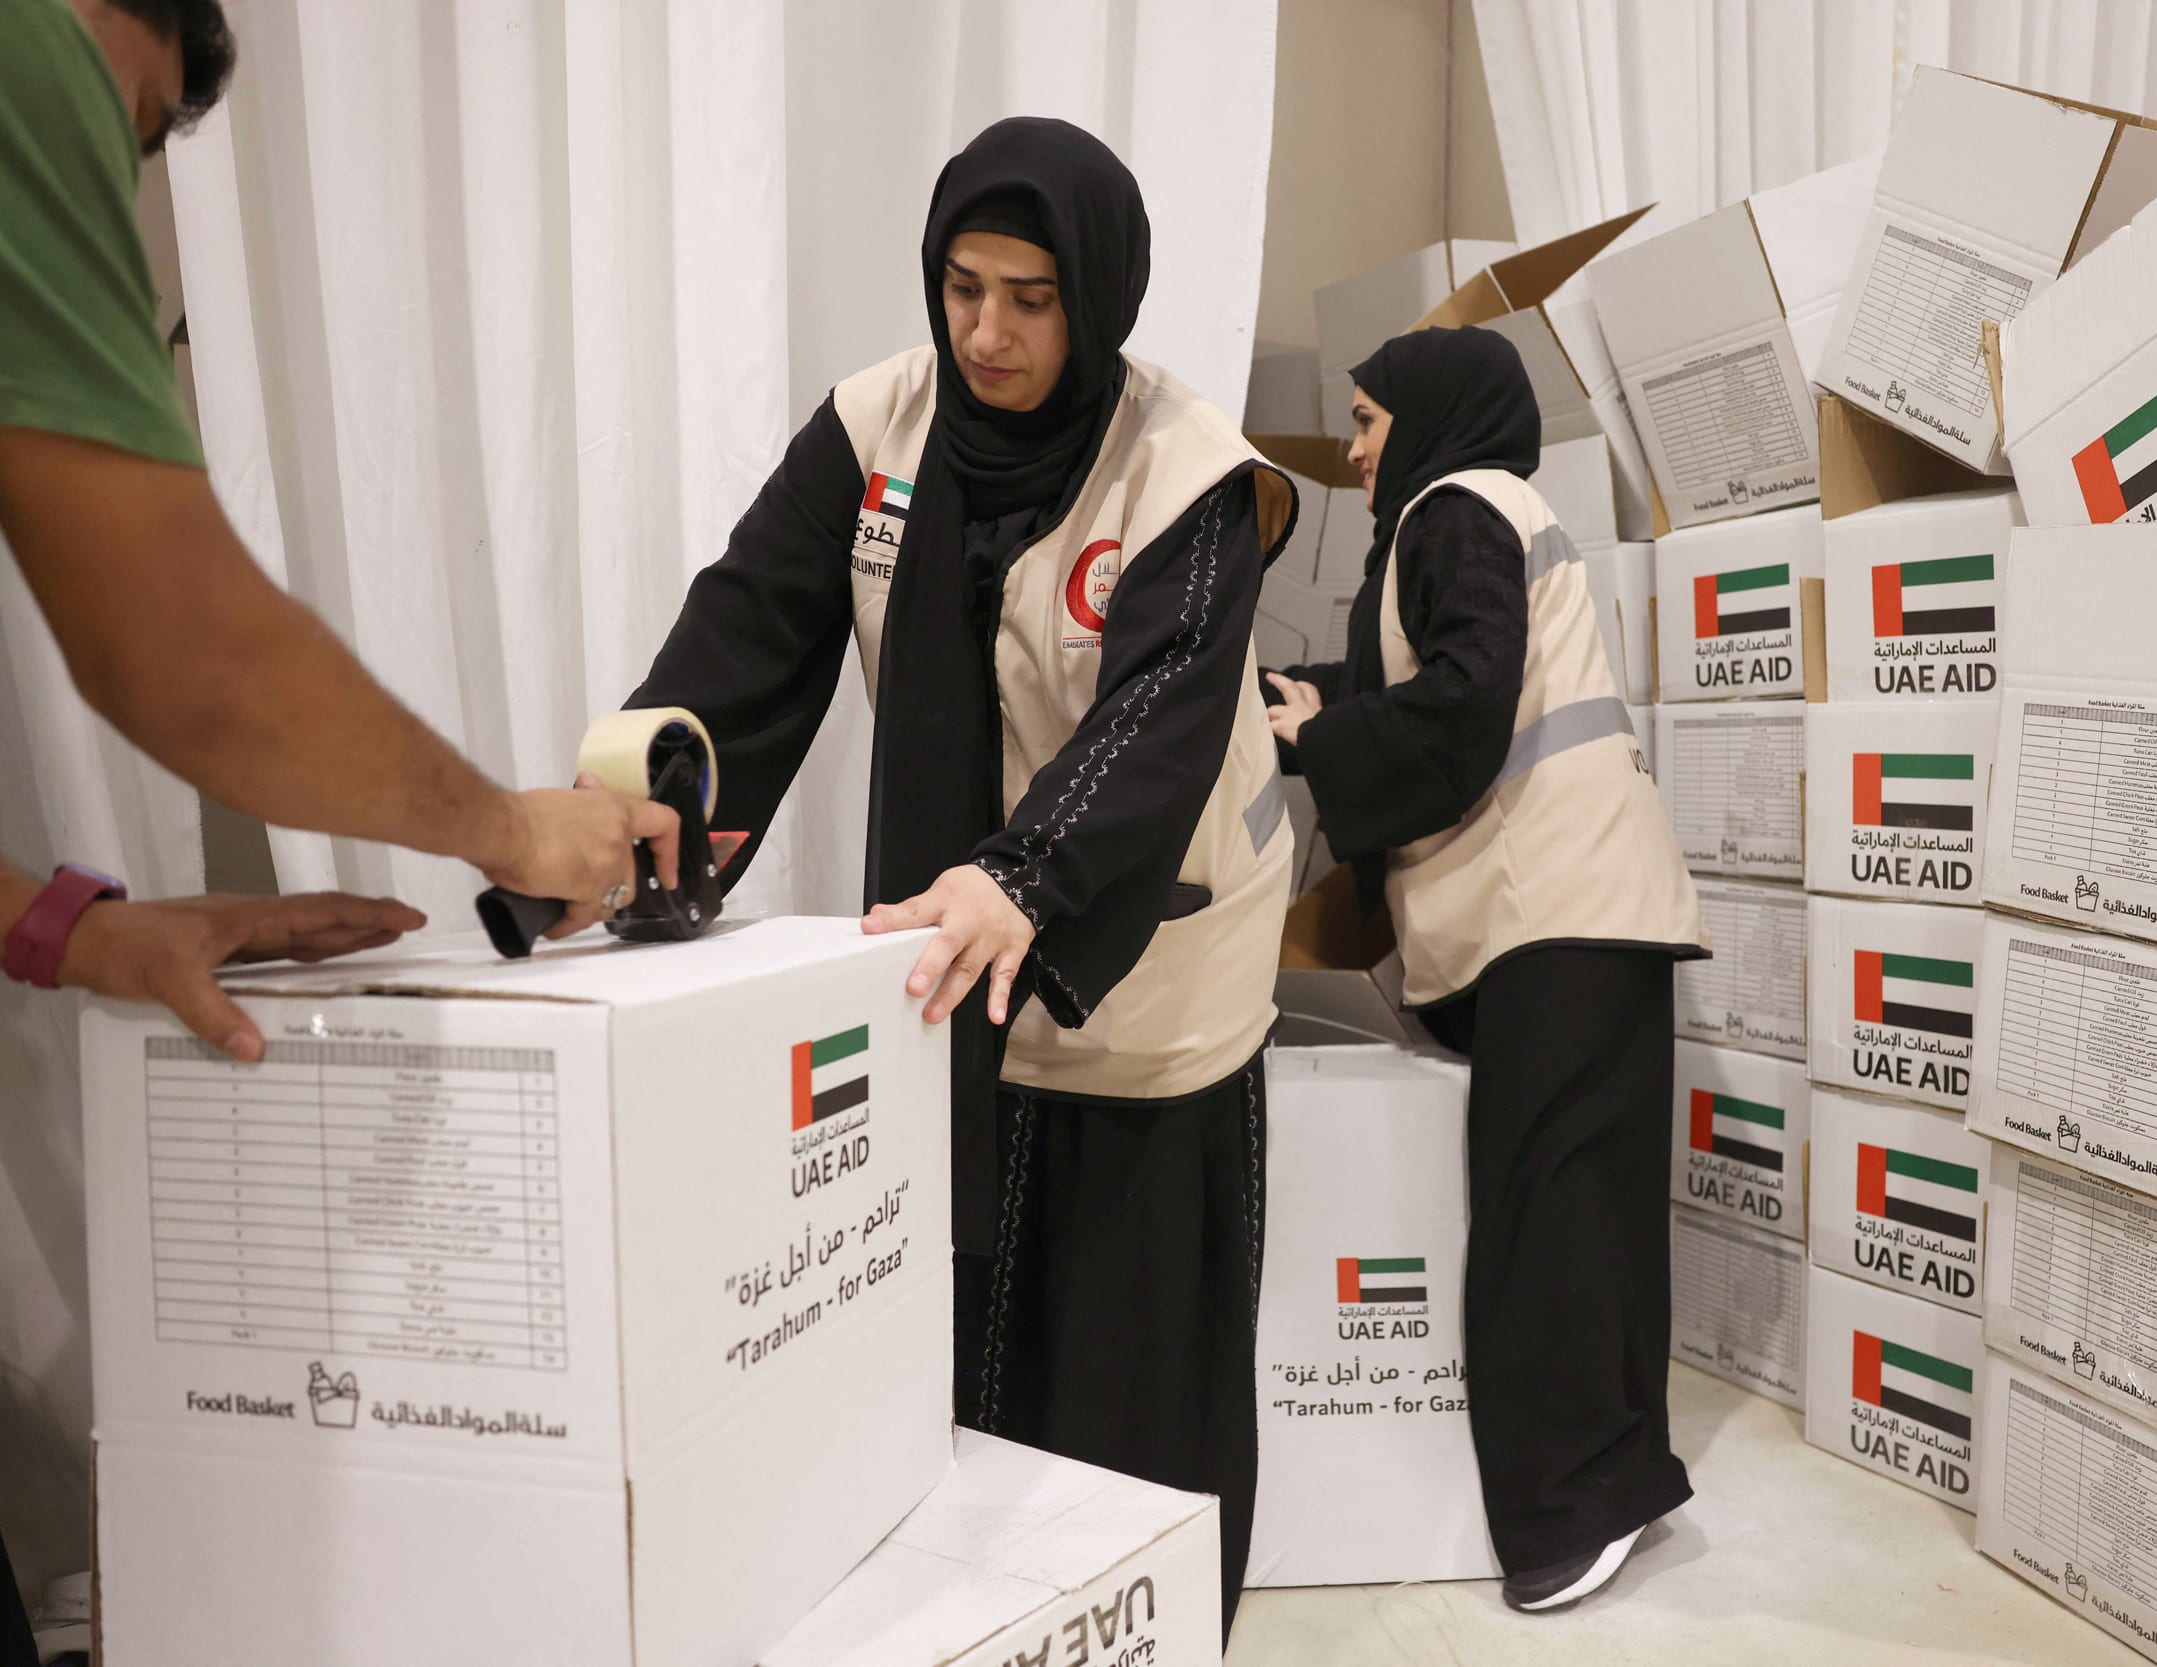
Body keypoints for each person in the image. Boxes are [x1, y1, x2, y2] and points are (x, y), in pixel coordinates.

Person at [626, 118, 1297, 1630]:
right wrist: (627, 811)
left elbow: (1162, 705)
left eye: (1031, 299)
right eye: (962, 286)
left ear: (1097, 298)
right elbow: (741, 634)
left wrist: (1028, 871)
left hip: (1151, 969)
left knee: (1127, 1386)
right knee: (950, 1370)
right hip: (956, 955)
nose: (987, 332)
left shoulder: (1190, 469)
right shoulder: (877, 429)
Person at [0, 0, 681, 1062]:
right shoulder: (31, 47)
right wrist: (514, 831)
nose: (112, 191)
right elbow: (196, 663)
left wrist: (67, 929)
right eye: (126, 126)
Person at [1263, 325, 1709, 1614]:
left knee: (1545, 1223)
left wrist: (1320, 739)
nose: (1351, 450)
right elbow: (1422, 678)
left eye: (1365, 420)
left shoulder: (1451, 508)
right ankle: (1614, 1477)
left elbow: (1462, 700)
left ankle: (1577, 1508)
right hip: (1583, 911)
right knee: (1586, 1215)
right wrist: (1312, 706)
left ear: (1430, 417)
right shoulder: (1477, 516)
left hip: (1555, 912)